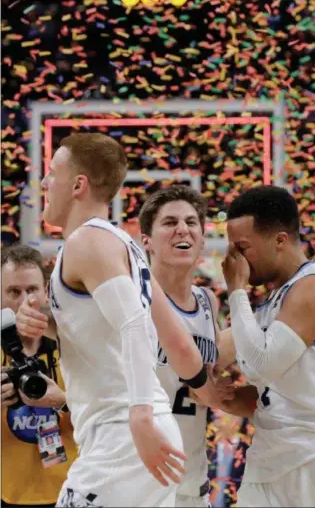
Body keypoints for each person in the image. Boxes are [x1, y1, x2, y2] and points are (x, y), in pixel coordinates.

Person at [15, 132, 225, 508]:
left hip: (125, 436)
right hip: (138, 434)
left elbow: (133, 324)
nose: (44, 182)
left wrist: (142, 415)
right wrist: (46, 322)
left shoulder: (86, 242)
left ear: (78, 184)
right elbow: (178, 342)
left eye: (51, 172)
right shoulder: (125, 247)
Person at [221, 185, 315, 507]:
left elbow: (260, 364)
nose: (234, 259)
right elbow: (277, 392)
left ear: (280, 240)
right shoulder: (271, 302)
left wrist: (236, 290)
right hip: (268, 461)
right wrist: (221, 395)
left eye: (243, 247)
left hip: (312, 461)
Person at [139, 185, 236, 508]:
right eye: (169, 222)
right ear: (146, 241)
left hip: (192, 484)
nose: (183, 228)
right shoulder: (132, 299)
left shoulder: (208, 301)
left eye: (192, 222)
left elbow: (213, 372)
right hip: (139, 484)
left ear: (202, 239)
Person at [1, 244, 77, 507]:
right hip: (7, 496)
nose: (25, 302)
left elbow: (104, 421)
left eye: (32, 290)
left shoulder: (72, 347)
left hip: (69, 493)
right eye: (14, 292)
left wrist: (63, 400)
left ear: (46, 292)